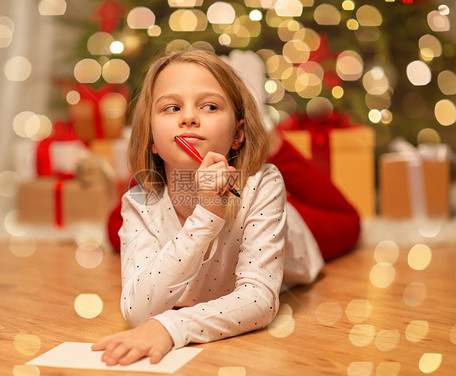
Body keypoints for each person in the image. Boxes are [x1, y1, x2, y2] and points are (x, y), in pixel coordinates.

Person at [92, 49, 354, 366]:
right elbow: (137, 311)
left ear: (237, 135)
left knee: (349, 223)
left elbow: (259, 299)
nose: (188, 118)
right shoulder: (138, 202)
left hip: (288, 229)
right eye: (172, 107)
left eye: (210, 106)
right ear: (151, 140)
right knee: (116, 221)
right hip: (191, 198)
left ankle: (267, 134)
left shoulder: (264, 186)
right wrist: (206, 215)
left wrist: (170, 326)